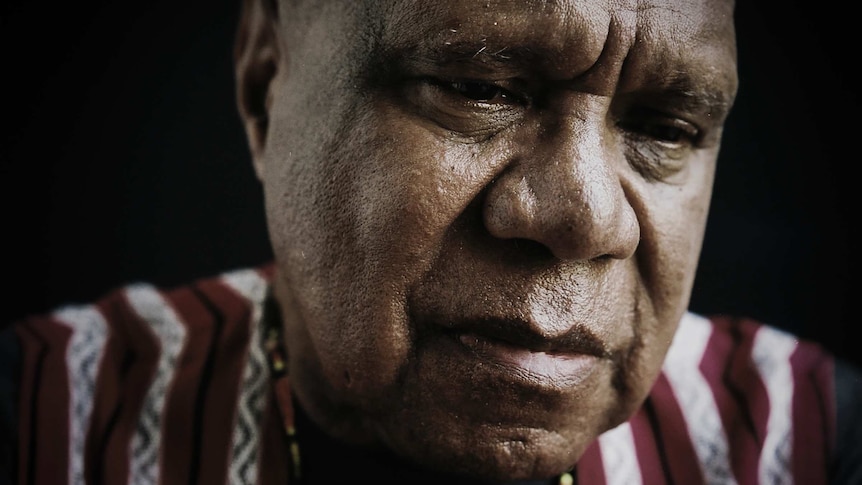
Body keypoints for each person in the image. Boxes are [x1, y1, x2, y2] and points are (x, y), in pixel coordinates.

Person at [2, 0, 860, 484]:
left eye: (667, 127)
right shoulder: (49, 425)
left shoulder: (804, 442)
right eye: (478, 87)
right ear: (267, 86)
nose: (589, 218)